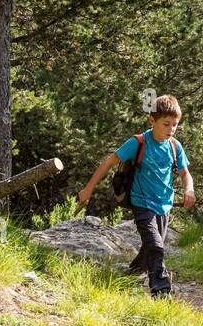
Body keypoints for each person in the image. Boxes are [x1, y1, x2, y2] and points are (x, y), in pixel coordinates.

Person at [74, 94, 193, 296]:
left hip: (165, 205)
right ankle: (161, 288)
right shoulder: (138, 142)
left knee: (151, 247)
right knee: (156, 244)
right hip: (142, 202)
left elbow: (185, 173)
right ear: (152, 120)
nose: (171, 129)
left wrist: (189, 189)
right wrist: (88, 189)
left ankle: (131, 276)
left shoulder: (175, 146)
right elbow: (108, 162)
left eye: (175, 125)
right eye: (166, 124)